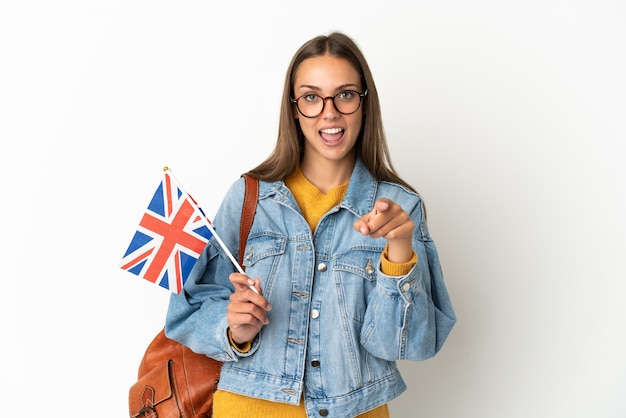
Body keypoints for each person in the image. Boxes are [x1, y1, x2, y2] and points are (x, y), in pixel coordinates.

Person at [165, 31, 456, 418]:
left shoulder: (400, 207)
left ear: (365, 104)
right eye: (312, 97)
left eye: (346, 94)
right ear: (295, 108)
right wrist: (233, 329)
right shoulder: (250, 197)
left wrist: (400, 250)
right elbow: (186, 312)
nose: (329, 112)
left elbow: (404, 345)